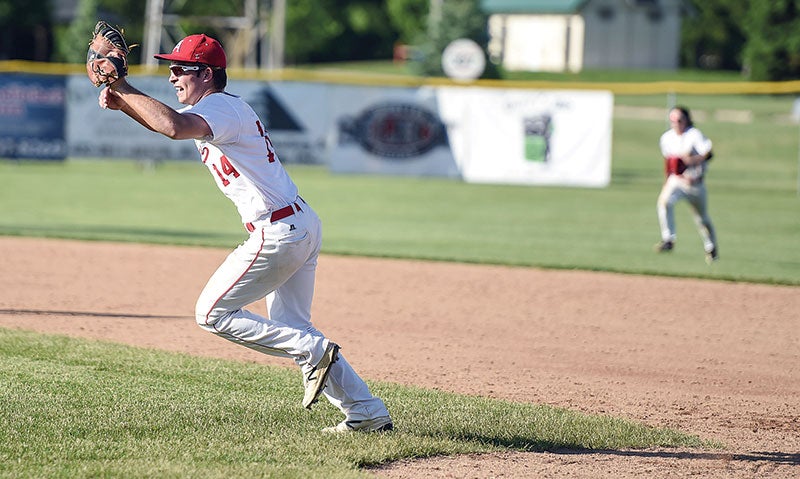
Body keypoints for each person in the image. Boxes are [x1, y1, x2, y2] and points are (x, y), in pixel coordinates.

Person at [96, 33, 392, 433]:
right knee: (294, 326)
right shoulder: (216, 110)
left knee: (212, 313)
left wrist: (124, 87)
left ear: (207, 73)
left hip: (278, 230)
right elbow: (167, 122)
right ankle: (365, 411)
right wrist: (123, 101)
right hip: (297, 222)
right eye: (170, 68)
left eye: (180, 68)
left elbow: (171, 126)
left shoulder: (219, 107)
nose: (172, 76)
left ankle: (313, 352)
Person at [654, 106, 718, 264]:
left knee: (701, 219)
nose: (676, 123)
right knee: (664, 202)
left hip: (695, 183)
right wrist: (666, 181)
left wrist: (692, 160)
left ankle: (711, 246)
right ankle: (668, 239)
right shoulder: (667, 138)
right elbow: (668, 162)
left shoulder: (694, 135)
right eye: (673, 120)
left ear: (687, 119)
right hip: (676, 180)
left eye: (679, 119)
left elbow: (709, 153)